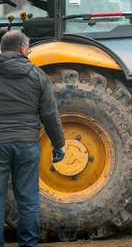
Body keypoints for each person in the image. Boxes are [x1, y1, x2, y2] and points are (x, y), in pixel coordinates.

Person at [0, 31, 65, 247]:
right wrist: (58, 144)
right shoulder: (38, 76)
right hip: (27, 145)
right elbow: (50, 115)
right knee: (28, 200)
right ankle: (28, 244)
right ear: (22, 48)